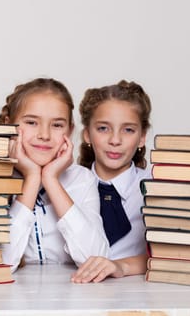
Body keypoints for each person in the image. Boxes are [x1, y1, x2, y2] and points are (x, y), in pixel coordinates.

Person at [0, 78, 109, 273]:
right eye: (32, 122)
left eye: (57, 125)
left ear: (70, 130)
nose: (45, 135)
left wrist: (50, 179)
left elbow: (95, 259)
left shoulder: (82, 179)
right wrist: (32, 178)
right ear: (9, 125)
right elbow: (3, 264)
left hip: (71, 297)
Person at [71, 80, 152, 283]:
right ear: (87, 134)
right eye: (103, 128)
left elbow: (174, 255)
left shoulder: (156, 188)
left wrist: (121, 266)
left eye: (128, 130)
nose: (115, 140)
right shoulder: (67, 186)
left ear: (142, 137)